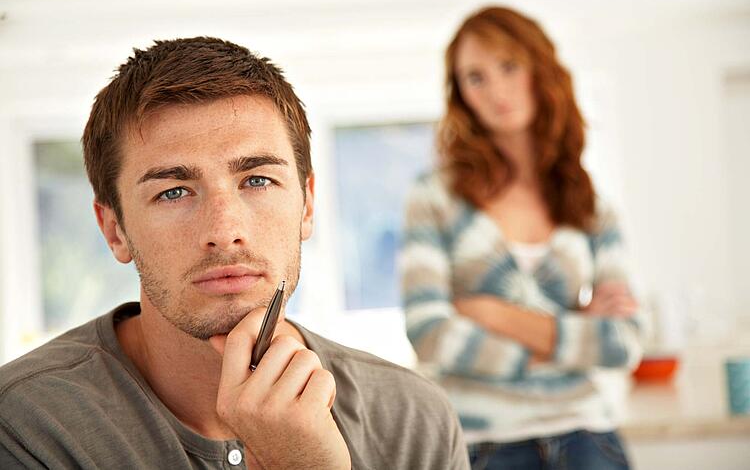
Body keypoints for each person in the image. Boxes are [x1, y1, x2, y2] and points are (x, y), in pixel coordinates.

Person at [0, 37, 469, 469]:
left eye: (257, 180)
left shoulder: (416, 423)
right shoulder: (24, 424)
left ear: (307, 206)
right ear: (114, 229)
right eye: (174, 192)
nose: (225, 232)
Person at [400, 6, 645, 469]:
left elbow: (624, 340)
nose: (496, 90)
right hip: (483, 444)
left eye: (508, 66)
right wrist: (570, 334)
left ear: (540, 69)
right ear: (461, 94)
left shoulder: (590, 204)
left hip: (588, 435)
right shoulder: (434, 196)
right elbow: (429, 333)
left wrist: (489, 312)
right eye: (475, 77)